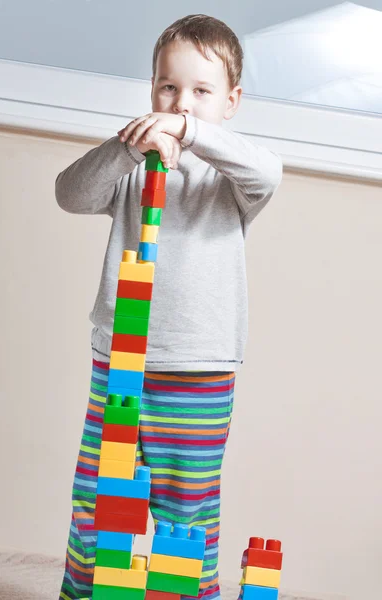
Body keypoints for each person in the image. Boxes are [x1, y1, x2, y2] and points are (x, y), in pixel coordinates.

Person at [56, 13, 283, 600]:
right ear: (152, 87)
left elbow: (269, 172)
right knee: (99, 502)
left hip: (199, 371)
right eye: (168, 87)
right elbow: (71, 193)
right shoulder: (134, 165)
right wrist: (131, 144)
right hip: (121, 364)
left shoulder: (230, 177)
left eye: (201, 92)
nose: (181, 103)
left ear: (230, 101)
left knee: (188, 511)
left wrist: (191, 132)